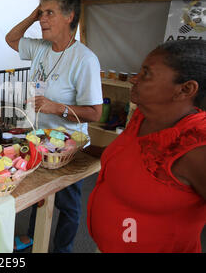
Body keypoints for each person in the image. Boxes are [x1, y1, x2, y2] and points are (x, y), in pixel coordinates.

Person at [5, 0, 103, 252]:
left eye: (50, 12)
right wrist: (32, 15)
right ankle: (33, 236)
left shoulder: (84, 59)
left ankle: (63, 248)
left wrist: (56, 107)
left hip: (68, 146)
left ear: (70, 16)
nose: (43, 19)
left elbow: (95, 112)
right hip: (38, 139)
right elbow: (11, 38)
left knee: (68, 205)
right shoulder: (41, 48)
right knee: (40, 194)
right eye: (41, 12)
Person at [87, 40, 206, 253]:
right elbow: (128, 158)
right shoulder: (144, 114)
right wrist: (80, 150)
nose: (134, 79)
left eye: (146, 74)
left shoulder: (196, 148)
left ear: (185, 89)